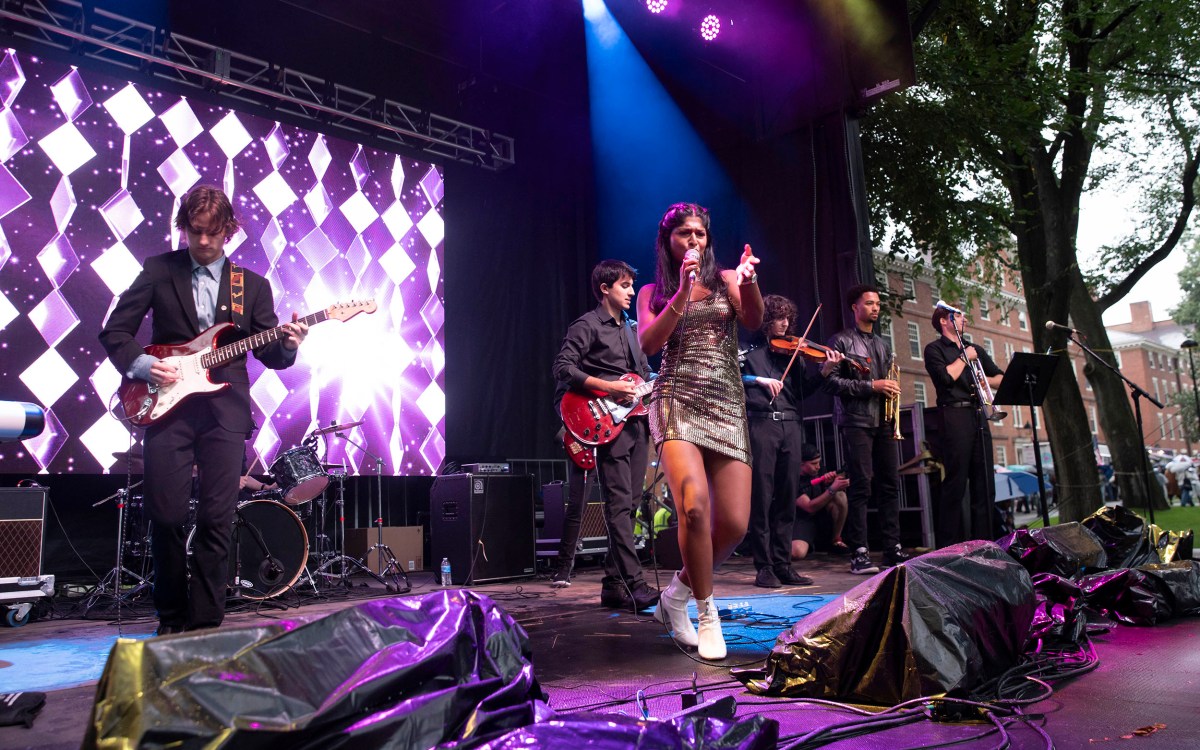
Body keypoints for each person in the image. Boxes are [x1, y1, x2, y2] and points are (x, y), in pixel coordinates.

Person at [99, 185, 307, 635]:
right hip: (168, 410)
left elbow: (270, 353)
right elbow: (116, 332)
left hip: (225, 414)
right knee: (167, 516)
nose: (204, 242)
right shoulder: (159, 270)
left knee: (217, 519)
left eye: (213, 233)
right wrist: (145, 365)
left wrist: (288, 346)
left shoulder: (251, 286)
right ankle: (172, 618)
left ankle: (206, 623)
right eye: (195, 232)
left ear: (229, 231)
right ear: (183, 228)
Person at [637, 202, 763, 661]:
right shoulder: (652, 290)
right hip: (676, 399)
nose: (693, 240)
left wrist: (749, 283)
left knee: (733, 524)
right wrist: (682, 292)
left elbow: (752, 319)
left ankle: (674, 596)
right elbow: (649, 345)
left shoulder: (728, 279)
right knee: (693, 506)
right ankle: (707, 612)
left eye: (700, 234)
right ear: (668, 240)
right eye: (684, 233)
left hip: (727, 403)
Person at [552, 260, 660, 612]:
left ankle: (613, 584)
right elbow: (563, 367)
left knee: (629, 505)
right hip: (606, 424)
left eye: (631, 286)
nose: (631, 292)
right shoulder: (587, 325)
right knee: (617, 506)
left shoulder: (633, 330)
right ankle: (635, 582)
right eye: (625, 286)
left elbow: (643, 376)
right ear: (605, 288)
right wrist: (607, 388)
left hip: (637, 422)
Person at [741, 294, 841, 588]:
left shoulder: (794, 357)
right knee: (762, 496)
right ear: (765, 321)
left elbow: (801, 393)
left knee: (786, 497)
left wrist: (824, 372)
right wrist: (758, 382)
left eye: (787, 317)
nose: (784, 323)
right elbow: (737, 384)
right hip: (762, 427)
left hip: (791, 427)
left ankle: (783, 564)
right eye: (777, 317)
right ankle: (764, 566)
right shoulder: (750, 356)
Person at [824, 284, 907, 575]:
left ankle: (892, 547)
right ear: (854, 308)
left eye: (878, 304)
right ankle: (859, 551)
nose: (875, 307)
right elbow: (831, 383)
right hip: (856, 420)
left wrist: (889, 389)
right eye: (869, 303)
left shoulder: (882, 345)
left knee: (889, 485)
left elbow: (886, 381)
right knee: (861, 485)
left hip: (883, 422)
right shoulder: (841, 341)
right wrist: (872, 386)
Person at [923, 306, 1004, 546]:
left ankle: (985, 543)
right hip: (953, 414)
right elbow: (945, 378)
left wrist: (984, 379)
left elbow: (1000, 377)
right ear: (944, 321)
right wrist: (963, 358)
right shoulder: (934, 349)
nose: (964, 318)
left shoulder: (974, 349)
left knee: (984, 482)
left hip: (978, 413)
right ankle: (950, 545)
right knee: (956, 483)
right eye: (958, 315)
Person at [792, 443, 850, 560]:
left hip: (819, 517)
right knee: (797, 552)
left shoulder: (819, 470)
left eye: (819, 462)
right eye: (814, 464)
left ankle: (836, 540)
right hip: (800, 520)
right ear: (801, 464)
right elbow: (809, 507)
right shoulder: (792, 479)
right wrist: (832, 489)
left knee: (840, 496)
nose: (818, 466)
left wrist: (830, 483)